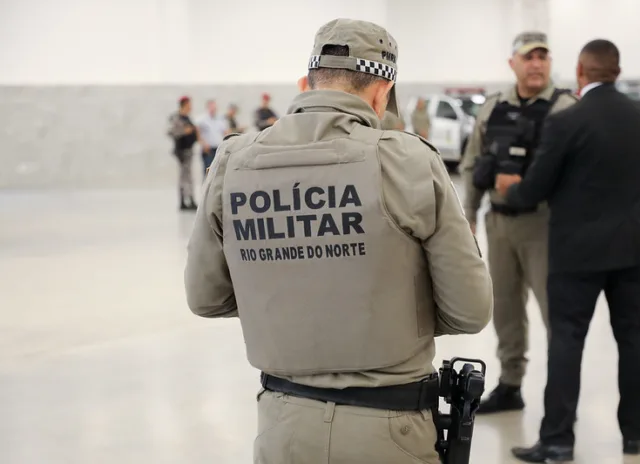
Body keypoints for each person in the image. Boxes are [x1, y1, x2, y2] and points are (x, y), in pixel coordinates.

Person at [184, 18, 493, 464]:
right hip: (391, 429)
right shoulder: (407, 160)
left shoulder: (233, 161)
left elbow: (205, 298)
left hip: (282, 426)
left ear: (306, 83)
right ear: (381, 93)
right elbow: (469, 310)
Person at [494, 39, 640, 462]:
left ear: (581, 72)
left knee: (567, 342)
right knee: (634, 337)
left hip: (577, 251)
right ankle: (634, 435)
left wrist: (511, 190)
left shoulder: (567, 121)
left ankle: (557, 441)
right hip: (634, 245)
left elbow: (537, 187)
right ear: (617, 72)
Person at [459, 31, 578, 414]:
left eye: (543, 57)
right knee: (506, 309)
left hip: (546, 226)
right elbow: (472, 163)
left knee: (555, 313)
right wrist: (470, 215)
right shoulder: (493, 107)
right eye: (529, 57)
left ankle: (562, 399)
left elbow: (579, 171)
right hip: (500, 225)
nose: (537, 64)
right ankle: (510, 385)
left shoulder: (565, 108)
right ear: (513, 63)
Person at [167, 96, 199, 210]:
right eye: (189, 105)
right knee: (185, 177)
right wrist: (184, 131)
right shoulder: (177, 118)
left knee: (187, 176)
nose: (190, 107)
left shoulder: (187, 118)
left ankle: (189, 199)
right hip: (182, 151)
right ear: (184, 105)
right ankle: (185, 200)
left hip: (188, 150)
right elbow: (170, 131)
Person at [196, 99, 227, 177]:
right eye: (211, 107)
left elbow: (225, 132)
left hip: (217, 148)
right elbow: (197, 131)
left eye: (214, 107)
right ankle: (206, 188)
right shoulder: (202, 119)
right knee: (208, 171)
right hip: (208, 149)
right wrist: (203, 143)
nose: (213, 109)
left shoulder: (220, 119)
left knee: (217, 171)